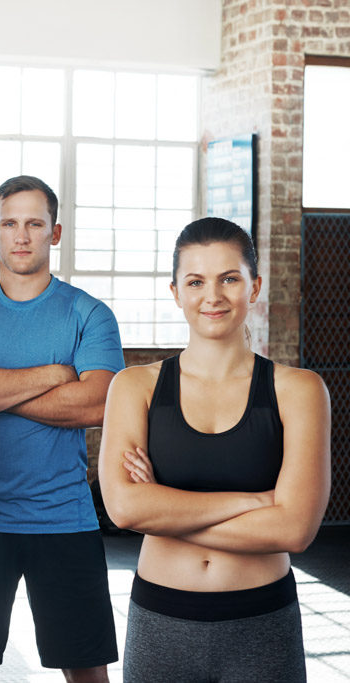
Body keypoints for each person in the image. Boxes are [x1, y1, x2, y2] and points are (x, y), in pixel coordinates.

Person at [98, 217, 331, 682]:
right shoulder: (134, 387)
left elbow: (295, 529)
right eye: (196, 281)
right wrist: (255, 503)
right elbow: (124, 509)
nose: (213, 296)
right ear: (175, 292)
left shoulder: (300, 390)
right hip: (162, 620)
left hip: (262, 622)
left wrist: (163, 509)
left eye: (229, 278)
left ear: (254, 286)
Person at [0, 175, 123, 683]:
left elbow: (98, 403)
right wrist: (54, 375)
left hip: (64, 517)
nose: (21, 235)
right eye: (9, 223)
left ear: (55, 233)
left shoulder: (90, 314)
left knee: (87, 671)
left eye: (35, 223)